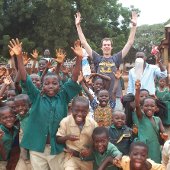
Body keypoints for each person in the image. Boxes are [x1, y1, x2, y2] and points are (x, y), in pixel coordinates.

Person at [8, 38, 82, 170]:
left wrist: (79, 58)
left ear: (60, 85)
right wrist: (18, 56)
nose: (51, 86)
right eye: (47, 84)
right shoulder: (36, 96)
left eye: (54, 83)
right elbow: (25, 78)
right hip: (37, 149)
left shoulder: (63, 96)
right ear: (42, 86)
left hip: (57, 149)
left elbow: (74, 78)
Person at [75, 11, 138, 110]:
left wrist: (134, 26)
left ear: (111, 47)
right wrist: (78, 26)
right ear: (102, 47)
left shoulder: (116, 58)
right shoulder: (97, 58)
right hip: (99, 96)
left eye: (108, 45)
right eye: (105, 45)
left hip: (115, 95)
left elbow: (129, 43)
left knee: (117, 121)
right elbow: (84, 42)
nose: (107, 46)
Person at [56, 96, 98, 170]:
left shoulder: (93, 124)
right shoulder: (65, 121)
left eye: (83, 111)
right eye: (76, 110)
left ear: (88, 111)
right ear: (71, 109)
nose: (79, 114)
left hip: (87, 159)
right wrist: (67, 137)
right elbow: (58, 139)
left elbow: (97, 141)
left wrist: (90, 150)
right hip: (71, 157)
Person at [133, 80, 168, 163]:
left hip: (155, 146)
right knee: (143, 164)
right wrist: (137, 90)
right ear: (142, 107)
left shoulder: (158, 119)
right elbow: (137, 104)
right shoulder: (141, 117)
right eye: (146, 106)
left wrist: (164, 137)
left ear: (156, 108)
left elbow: (163, 133)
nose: (149, 108)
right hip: (143, 146)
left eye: (152, 106)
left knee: (155, 164)